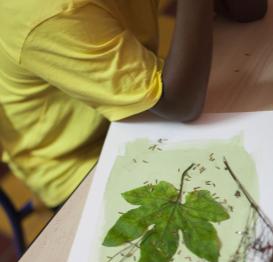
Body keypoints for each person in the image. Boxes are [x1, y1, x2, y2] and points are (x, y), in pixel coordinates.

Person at [0, 0, 267, 209]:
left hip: (149, 105)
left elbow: (248, 11)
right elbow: (180, 105)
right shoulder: (51, 12)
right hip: (81, 162)